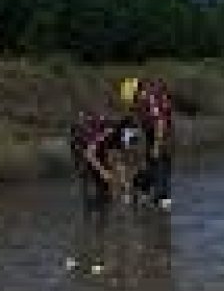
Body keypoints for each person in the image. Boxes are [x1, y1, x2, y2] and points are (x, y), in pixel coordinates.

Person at [69, 110, 138, 211]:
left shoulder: (123, 136)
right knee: (96, 171)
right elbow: (89, 154)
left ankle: (117, 190)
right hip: (84, 143)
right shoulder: (103, 135)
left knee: (117, 164)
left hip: (105, 141)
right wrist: (104, 172)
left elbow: (126, 155)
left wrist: (126, 177)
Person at [127, 77, 175, 209]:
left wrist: (156, 145)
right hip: (156, 135)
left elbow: (160, 123)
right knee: (156, 167)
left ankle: (160, 200)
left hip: (161, 137)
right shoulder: (146, 100)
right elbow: (138, 124)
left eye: (134, 98)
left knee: (158, 166)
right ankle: (158, 199)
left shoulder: (151, 99)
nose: (134, 101)